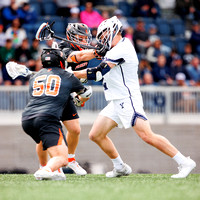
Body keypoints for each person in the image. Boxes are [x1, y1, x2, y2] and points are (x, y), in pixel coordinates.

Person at [73, 16, 196, 178]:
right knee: (96, 134)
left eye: (103, 36)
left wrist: (70, 74)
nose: (101, 40)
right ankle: (120, 167)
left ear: (112, 32)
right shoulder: (114, 49)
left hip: (127, 99)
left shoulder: (121, 49)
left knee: (147, 135)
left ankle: (184, 162)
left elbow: (97, 73)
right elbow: (89, 56)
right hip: (117, 100)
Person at [32, 23, 107, 176]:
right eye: (81, 38)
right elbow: (77, 57)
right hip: (52, 95)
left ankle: (70, 159)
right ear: (71, 37)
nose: (84, 41)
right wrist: (95, 52)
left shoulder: (85, 49)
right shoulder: (62, 48)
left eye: (86, 38)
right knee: (45, 136)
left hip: (65, 92)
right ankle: (45, 166)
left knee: (75, 129)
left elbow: (78, 72)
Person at [21, 48, 92, 180]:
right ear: (60, 61)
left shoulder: (34, 77)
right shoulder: (67, 76)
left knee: (43, 141)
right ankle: (46, 170)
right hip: (47, 118)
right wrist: (80, 99)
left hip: (27, 118)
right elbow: (85, 93)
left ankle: (45, 167)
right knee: (62, 158)